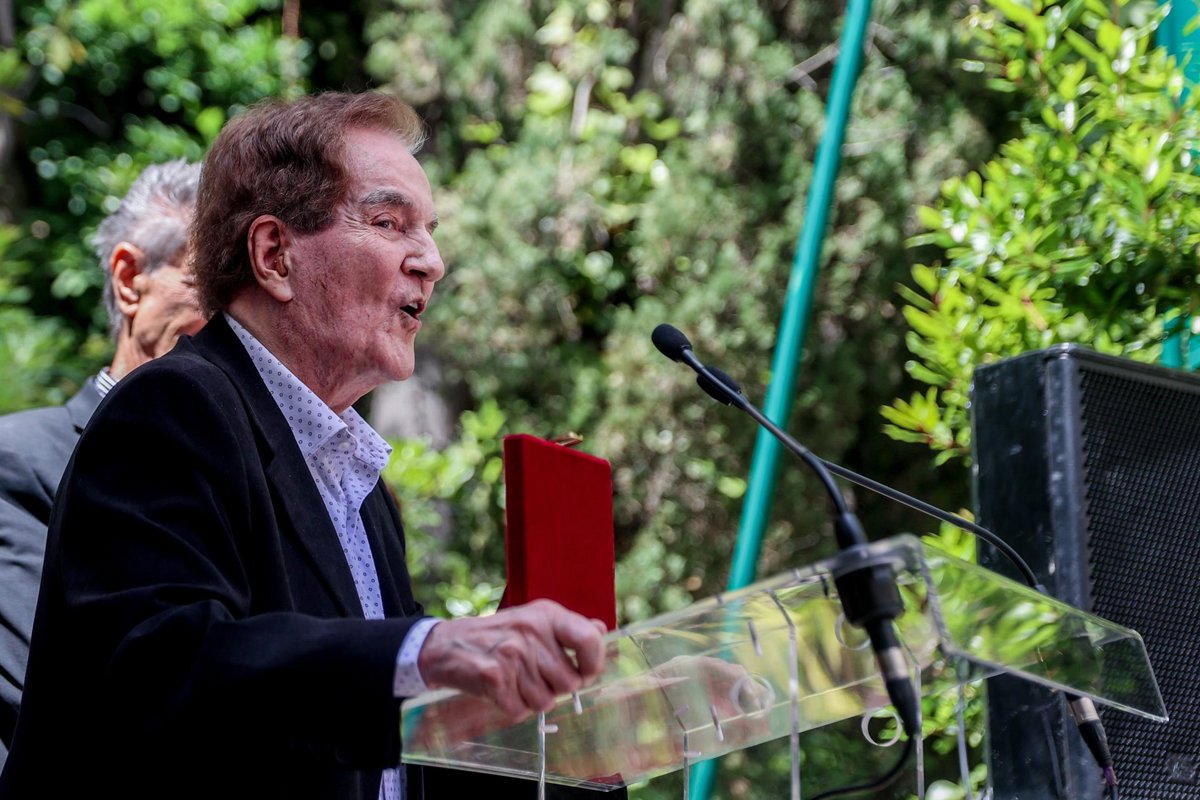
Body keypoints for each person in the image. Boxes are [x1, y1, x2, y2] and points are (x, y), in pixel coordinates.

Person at [0, 93, 606, 798]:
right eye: (389, 223)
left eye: (430, 232)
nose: (432, 262)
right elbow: (164, 668)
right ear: (274, 255)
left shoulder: (359, 481)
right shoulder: (171, 408)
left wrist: (541, 711)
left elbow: (379, 761)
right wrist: (429, 651)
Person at [0, 159, 204, 771]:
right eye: (210, 284)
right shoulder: (20, 463)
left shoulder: (275, 481)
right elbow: (53, 699)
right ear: (130, 280)